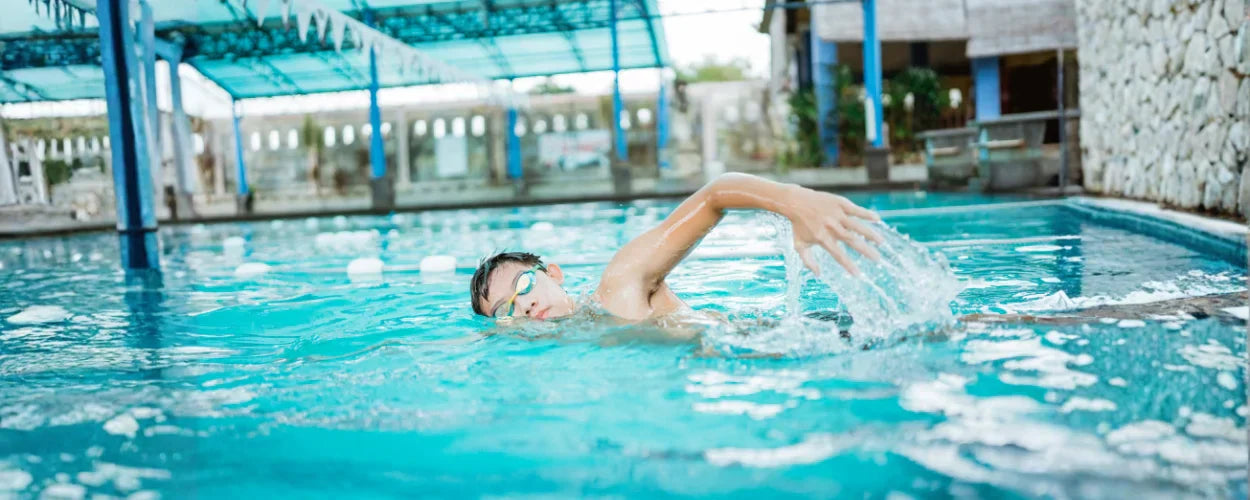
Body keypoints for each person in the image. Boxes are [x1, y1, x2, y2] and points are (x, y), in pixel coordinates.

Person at [469, 173, 883, 322]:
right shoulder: (566, 345)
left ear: (552, 274)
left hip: (806, 336)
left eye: (521, 286)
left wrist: (797, 203)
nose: (520, 306)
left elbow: (715, 195)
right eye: (505, 309)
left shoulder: (619, 284)